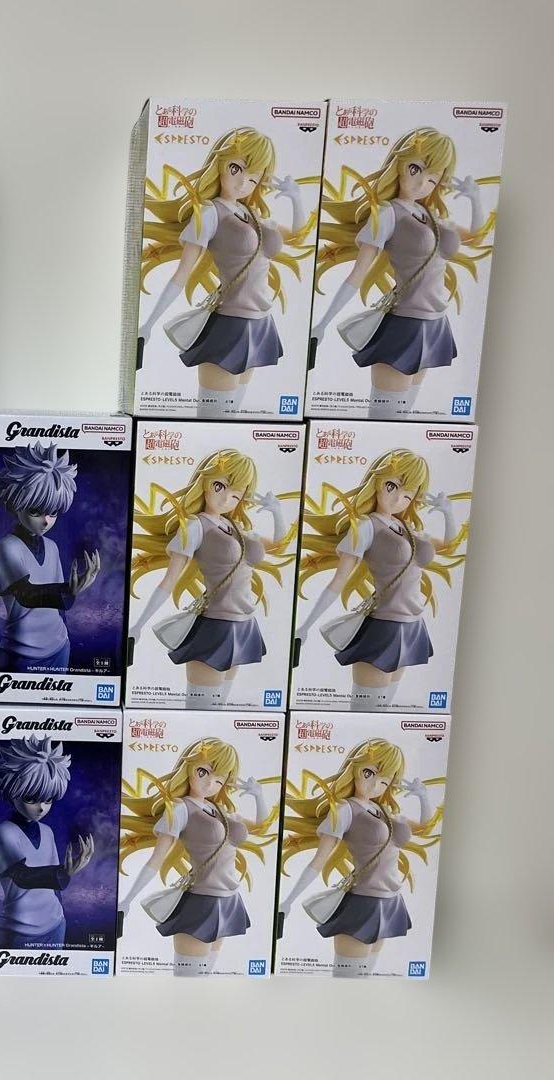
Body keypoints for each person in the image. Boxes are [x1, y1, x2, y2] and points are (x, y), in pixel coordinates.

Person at [311, 127, 496, 417]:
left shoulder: (432, 215)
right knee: (385, 417)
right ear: (398, 164)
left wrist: (475, 199)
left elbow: (475, 236)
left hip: (435, 324)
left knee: (404, 417)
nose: (422, 183)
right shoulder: (388, 213)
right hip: (404, 326)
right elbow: (357, 274)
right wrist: (322, 324)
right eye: (415, 169)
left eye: (433, 178)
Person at [138, 127, 314, 415]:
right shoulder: (210, 212)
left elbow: (298, 234)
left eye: (253, 178)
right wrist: (148, 324)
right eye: (236, 169)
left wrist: (296, 198)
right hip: (229, 324)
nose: (243, 182)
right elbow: (182, 272)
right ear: (219, 163)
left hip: (260, 322)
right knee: (215, 417)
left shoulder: (253, 214)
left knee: (232, 416)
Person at [295, 449, 468, 709]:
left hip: (412, 626)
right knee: (366, 711)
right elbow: (338, 581)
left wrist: (448, 513)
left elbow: (448, 546)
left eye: (408, 495)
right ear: (376, 481)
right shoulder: (366, 526)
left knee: (383, 712)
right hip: (383, 629)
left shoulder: (407, 527)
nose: (398, 498)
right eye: (392, 486)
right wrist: (305, 627)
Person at [128, 449, 295, 706]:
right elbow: (169, 580)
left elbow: (279, 545)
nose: (226, 498)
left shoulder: (236, 526)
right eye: (220, 486)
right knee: (202, 708)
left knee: (220, 708)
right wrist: (138, 625)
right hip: (215, 627)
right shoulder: (195, 526)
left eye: (236, 495)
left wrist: (276, 511)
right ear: (204, 482)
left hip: (244, 624)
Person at [277, 738, 442, 977]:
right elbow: (318, 860)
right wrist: (288, 901)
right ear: (353, 768)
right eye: (368, 773)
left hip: (390, 900)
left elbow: (424, 827)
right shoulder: (345, 810)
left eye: (384, 781)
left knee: (365, 977)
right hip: (363, 903)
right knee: (348, 979)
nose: (374, 784)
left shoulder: (383, 810)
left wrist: (423, 797)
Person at [117, 738, 276, 976]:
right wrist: (127, 900)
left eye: (219, 780)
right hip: (201, 902)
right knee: (189, 980)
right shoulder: (181, 808)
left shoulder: (220, 809)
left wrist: (258, 795)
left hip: (229, 899)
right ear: (188, 767)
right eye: (203, 772)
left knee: (205, 977)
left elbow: (262, 827)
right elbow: (156, 859)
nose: (210, 783)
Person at [0, 442, 100, 674]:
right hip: (21, 651)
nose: (46, 521)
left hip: (60, 646)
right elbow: (26, 594)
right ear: (14, 504)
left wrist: (69, 592)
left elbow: (59, 607)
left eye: (53, 512)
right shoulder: (7, 547)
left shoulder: (52, 547)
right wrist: (68, 589)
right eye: (35, 511)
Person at [0, 737, 94, 948]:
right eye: (31, 798)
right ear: (12, 791)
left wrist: (64, 876)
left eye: (48, 799)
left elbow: (54, 887)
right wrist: (63, 872)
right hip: (19, 929)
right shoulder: (3, 832)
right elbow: (22, 876)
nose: (41, 807)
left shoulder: (47, 832)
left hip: (56, 924)